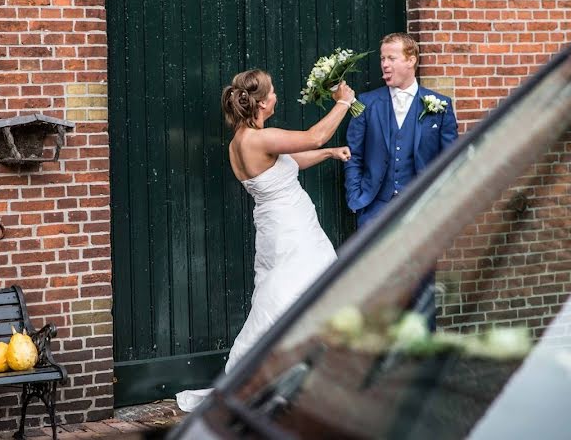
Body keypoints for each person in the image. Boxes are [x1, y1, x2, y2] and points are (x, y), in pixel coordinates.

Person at [176, 69, 355, 412]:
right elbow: (314, 136)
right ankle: (288, 376)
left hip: (276, 229)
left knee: (283, 294)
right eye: (272, 93)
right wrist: (343, 102)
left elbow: (293, 160)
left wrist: (331, 154)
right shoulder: (259, 139)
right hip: (291, 230)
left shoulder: (243, 140)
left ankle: (294, 375)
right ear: (260, 102)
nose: (276, 97)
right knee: (297, 294)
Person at [344, 32, 458, 330]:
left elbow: (450, 164)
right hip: (375, 209)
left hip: (421, 212)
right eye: (383, 58)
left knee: (421, 288)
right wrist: (357, 199)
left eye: (391, 58)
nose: (384, 64)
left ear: (411, 60)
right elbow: (352, 155)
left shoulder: (439, 106)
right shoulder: (365, 104)